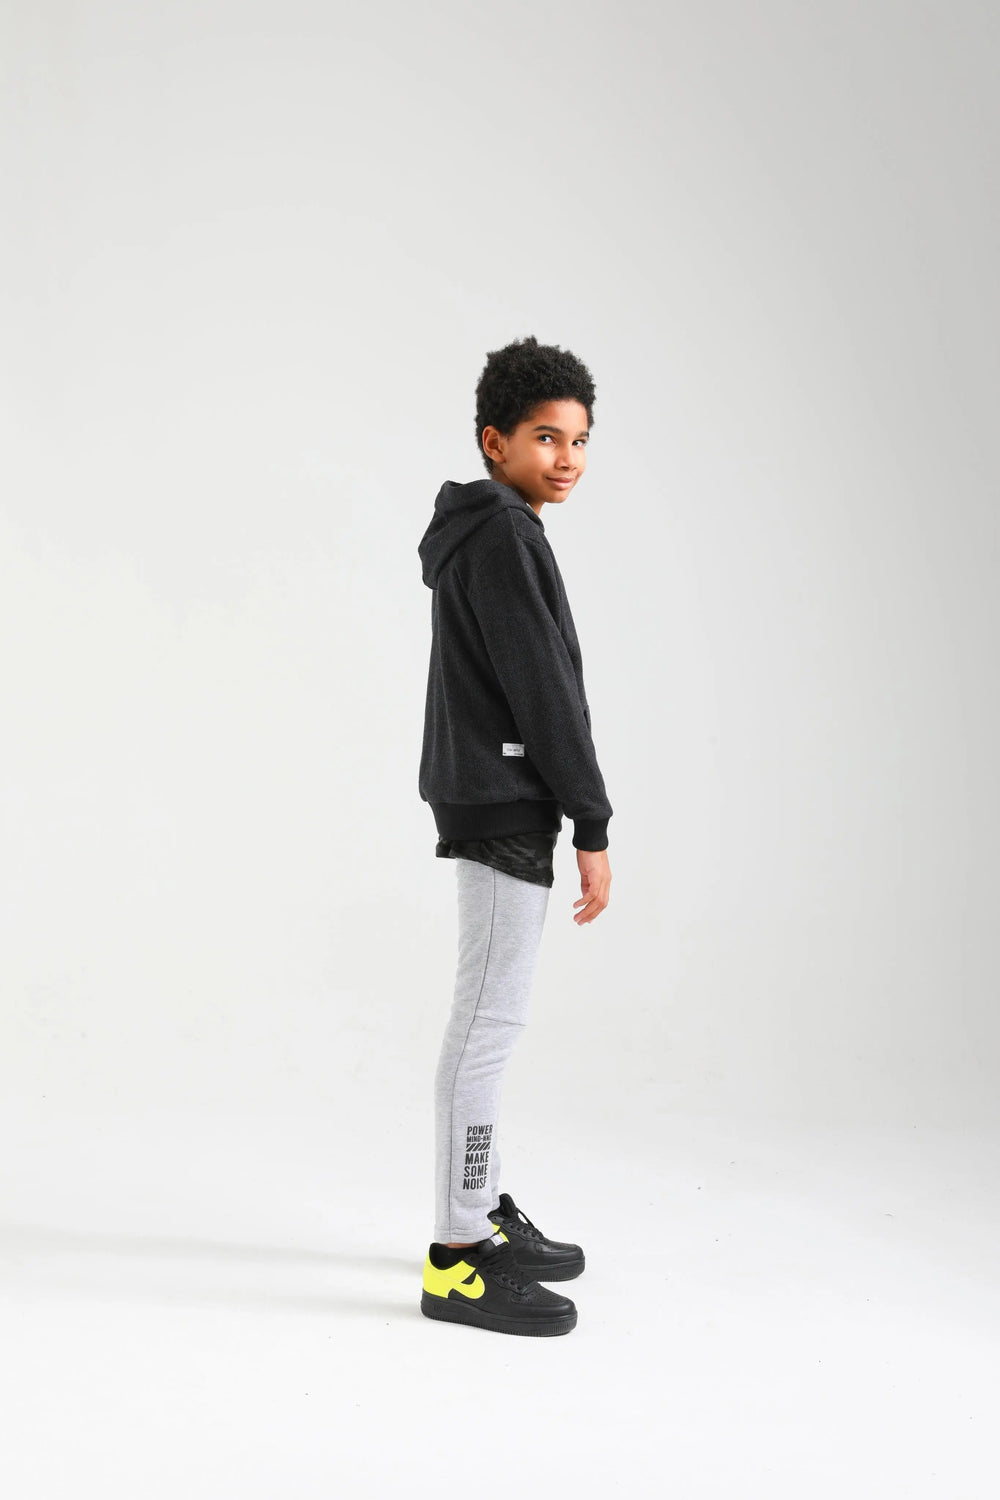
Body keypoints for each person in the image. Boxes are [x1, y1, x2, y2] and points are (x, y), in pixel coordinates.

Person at [416, 334, 613, 1337]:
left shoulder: (496, 527)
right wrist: (592, 818)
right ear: (494, 442)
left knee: (492, 1021)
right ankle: (457, 1257)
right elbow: (543, 690)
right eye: (545, 437)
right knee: (487, 1027)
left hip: (494, 791)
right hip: (503, 799)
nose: (566, 458)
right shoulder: (500, 532)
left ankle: (479, 1208)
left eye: (578, 440)